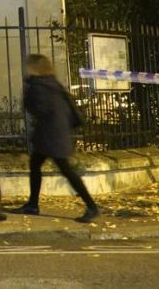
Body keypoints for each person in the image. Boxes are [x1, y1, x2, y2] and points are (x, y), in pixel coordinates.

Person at [14, 53, 99, 223]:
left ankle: (92, 207)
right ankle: (32, 204)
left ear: (34, 68)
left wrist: (28, 92)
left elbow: (38, 109)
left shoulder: (38, 86)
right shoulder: (54, 84)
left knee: (66, 171)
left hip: (50, 136)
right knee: (37, 165)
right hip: (57, 133)